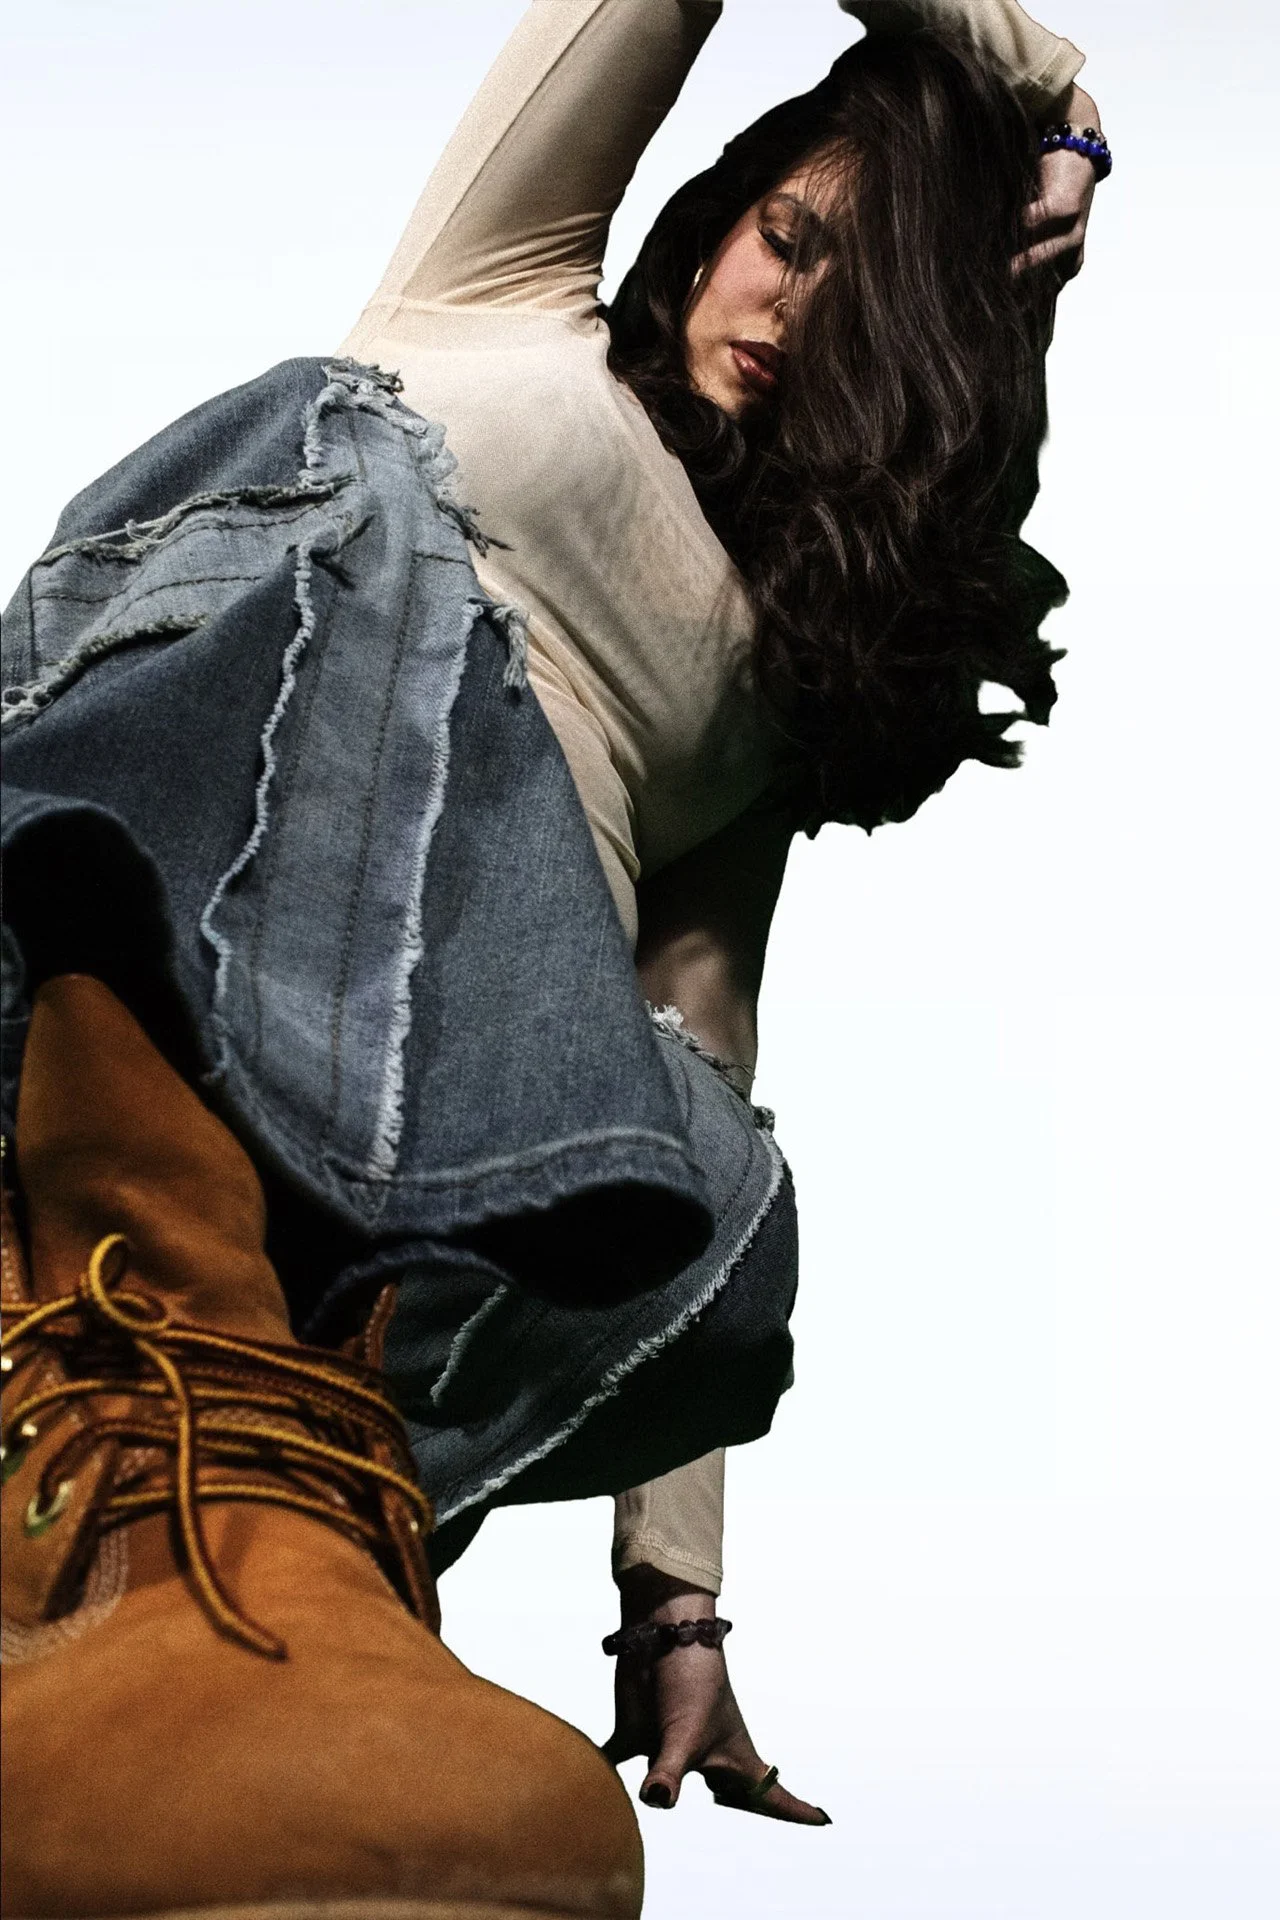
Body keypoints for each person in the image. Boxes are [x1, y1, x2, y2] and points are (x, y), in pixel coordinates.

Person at [0, 2, 1104, 1915]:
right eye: (788, 235)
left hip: (410, 1107)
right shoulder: (503, 297)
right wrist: (1050, 101)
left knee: (708, 1199)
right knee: (361, 513)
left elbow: (698, 1034)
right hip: (160, 793)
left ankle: (239, 1508)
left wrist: (673, 1592)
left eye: (863, 298)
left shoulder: (769, 689)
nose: (783, 303)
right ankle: (125, 1351)